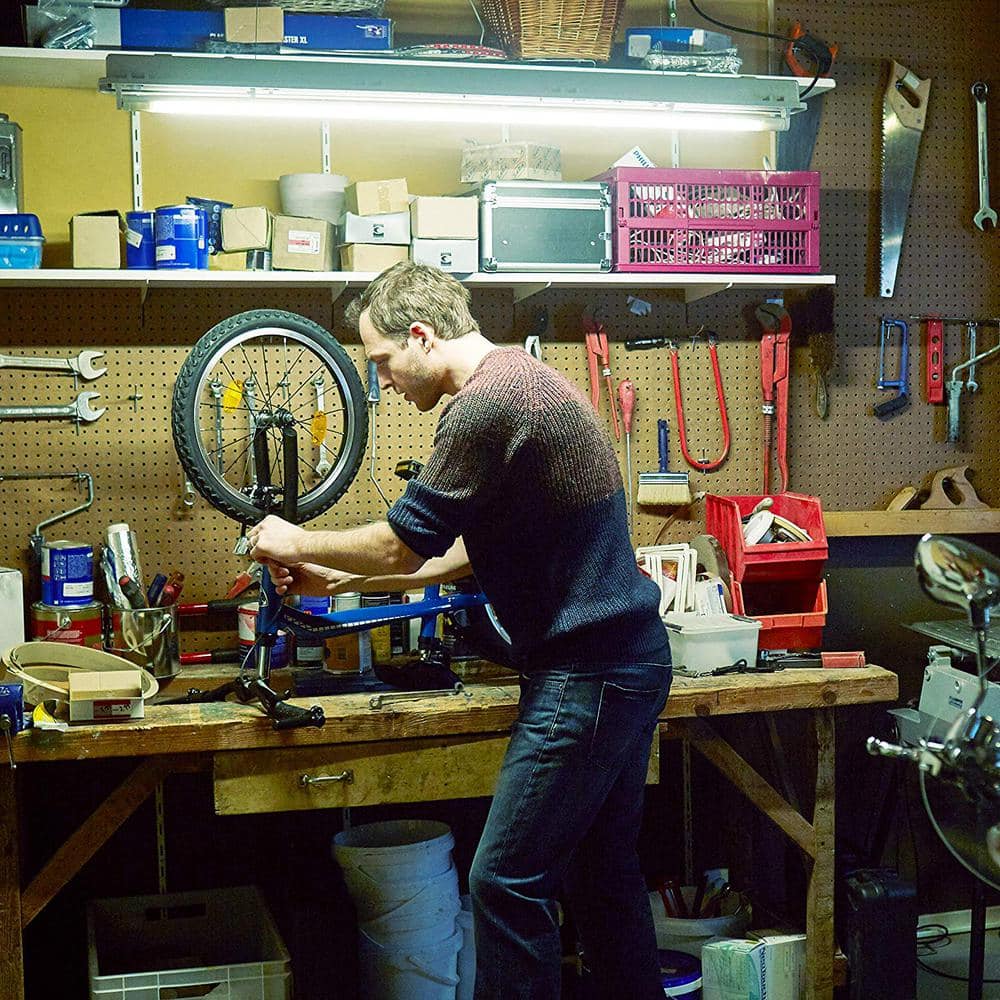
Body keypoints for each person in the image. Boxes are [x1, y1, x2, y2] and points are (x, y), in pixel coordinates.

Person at [248, 261, 672, 999]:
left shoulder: (486, 405)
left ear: (421, 335)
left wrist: (295, 539)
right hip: (624, 661)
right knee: (601, 872)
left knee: (505, 881)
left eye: (383, 361)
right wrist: (341, 580)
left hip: (589, 672)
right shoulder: (521, 380)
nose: (383, 381)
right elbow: (460, 550)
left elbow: (401, 544)